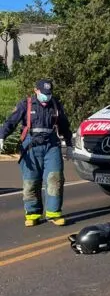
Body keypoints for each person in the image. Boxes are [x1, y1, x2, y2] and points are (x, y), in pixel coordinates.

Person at [0, 79, 74, 227]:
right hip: (31, 145)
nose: (46, 97)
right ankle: (33, 213)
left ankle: (54, 212)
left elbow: (64, 125)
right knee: (31, 181)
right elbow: (10, 122)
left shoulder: (55, 105)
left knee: (55, 178)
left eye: (49, 93)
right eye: (43, 93)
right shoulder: (25, 105)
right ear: (36, 91)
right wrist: (1, 136)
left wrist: (70, 144)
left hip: (51, 145)